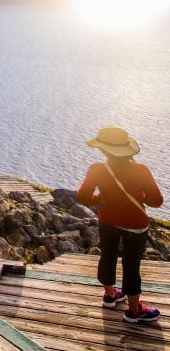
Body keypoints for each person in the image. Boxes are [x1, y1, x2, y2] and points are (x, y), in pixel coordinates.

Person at [76, 127, 164, 324]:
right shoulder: (141, 170)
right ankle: (133, 311)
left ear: (104, 150)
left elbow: (83, 197)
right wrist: (138, 196)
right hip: (135, 225)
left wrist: (102, 197)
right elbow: (156, 201)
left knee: (107, 256)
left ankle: (109, 295)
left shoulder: (97, 169)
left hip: (108, 221)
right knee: (131, 265)